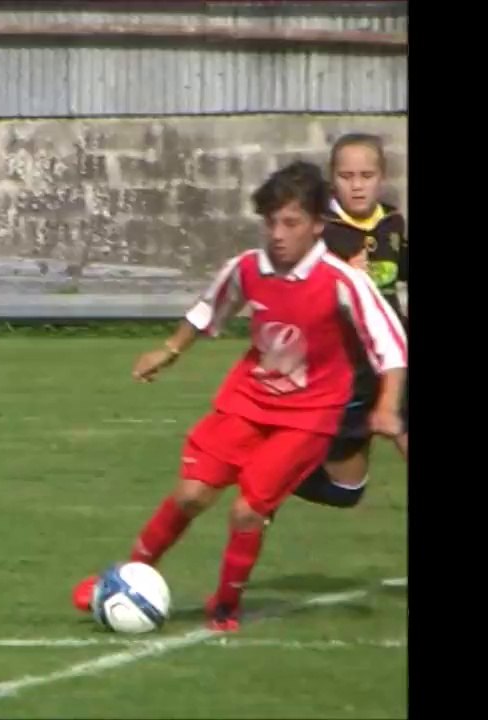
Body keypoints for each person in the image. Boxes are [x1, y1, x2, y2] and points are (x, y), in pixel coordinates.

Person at [70, 161, 407, 631]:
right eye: (270, 222)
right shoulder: (248, 268)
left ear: (317, 225)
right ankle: (121, 578)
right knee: (189, 495)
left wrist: (387, 406)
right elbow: (210, 309)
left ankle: (225, 605)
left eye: (290, 223)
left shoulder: (342, 281)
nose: (277, 234)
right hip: (248, 401)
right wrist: (168, 350)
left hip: (309, 415)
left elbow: (390, 345)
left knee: (248, 510)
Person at [290, 133, 409, 510]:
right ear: (332, 177)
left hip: (393, 362)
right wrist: (339, 277)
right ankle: (264, 475)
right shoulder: (318, 231)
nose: (357, 185)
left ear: (382, 176)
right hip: (344, 372)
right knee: (346, 493)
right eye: (347, 176)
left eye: (366, 175)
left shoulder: (393, 223)